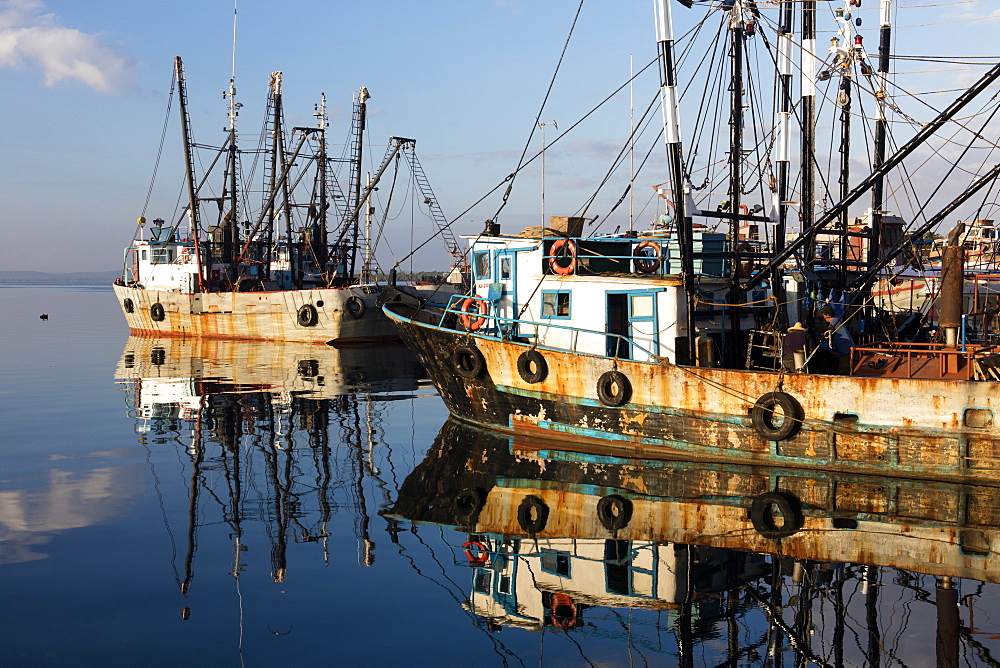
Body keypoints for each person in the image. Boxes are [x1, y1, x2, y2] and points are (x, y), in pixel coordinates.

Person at [819, 304, 855, 374]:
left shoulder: (834, 322)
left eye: (823, 315)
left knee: (843, 370)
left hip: (846, 350)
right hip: (846, 349)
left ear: (826, 315)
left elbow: (828, 331)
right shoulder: (837, 320)